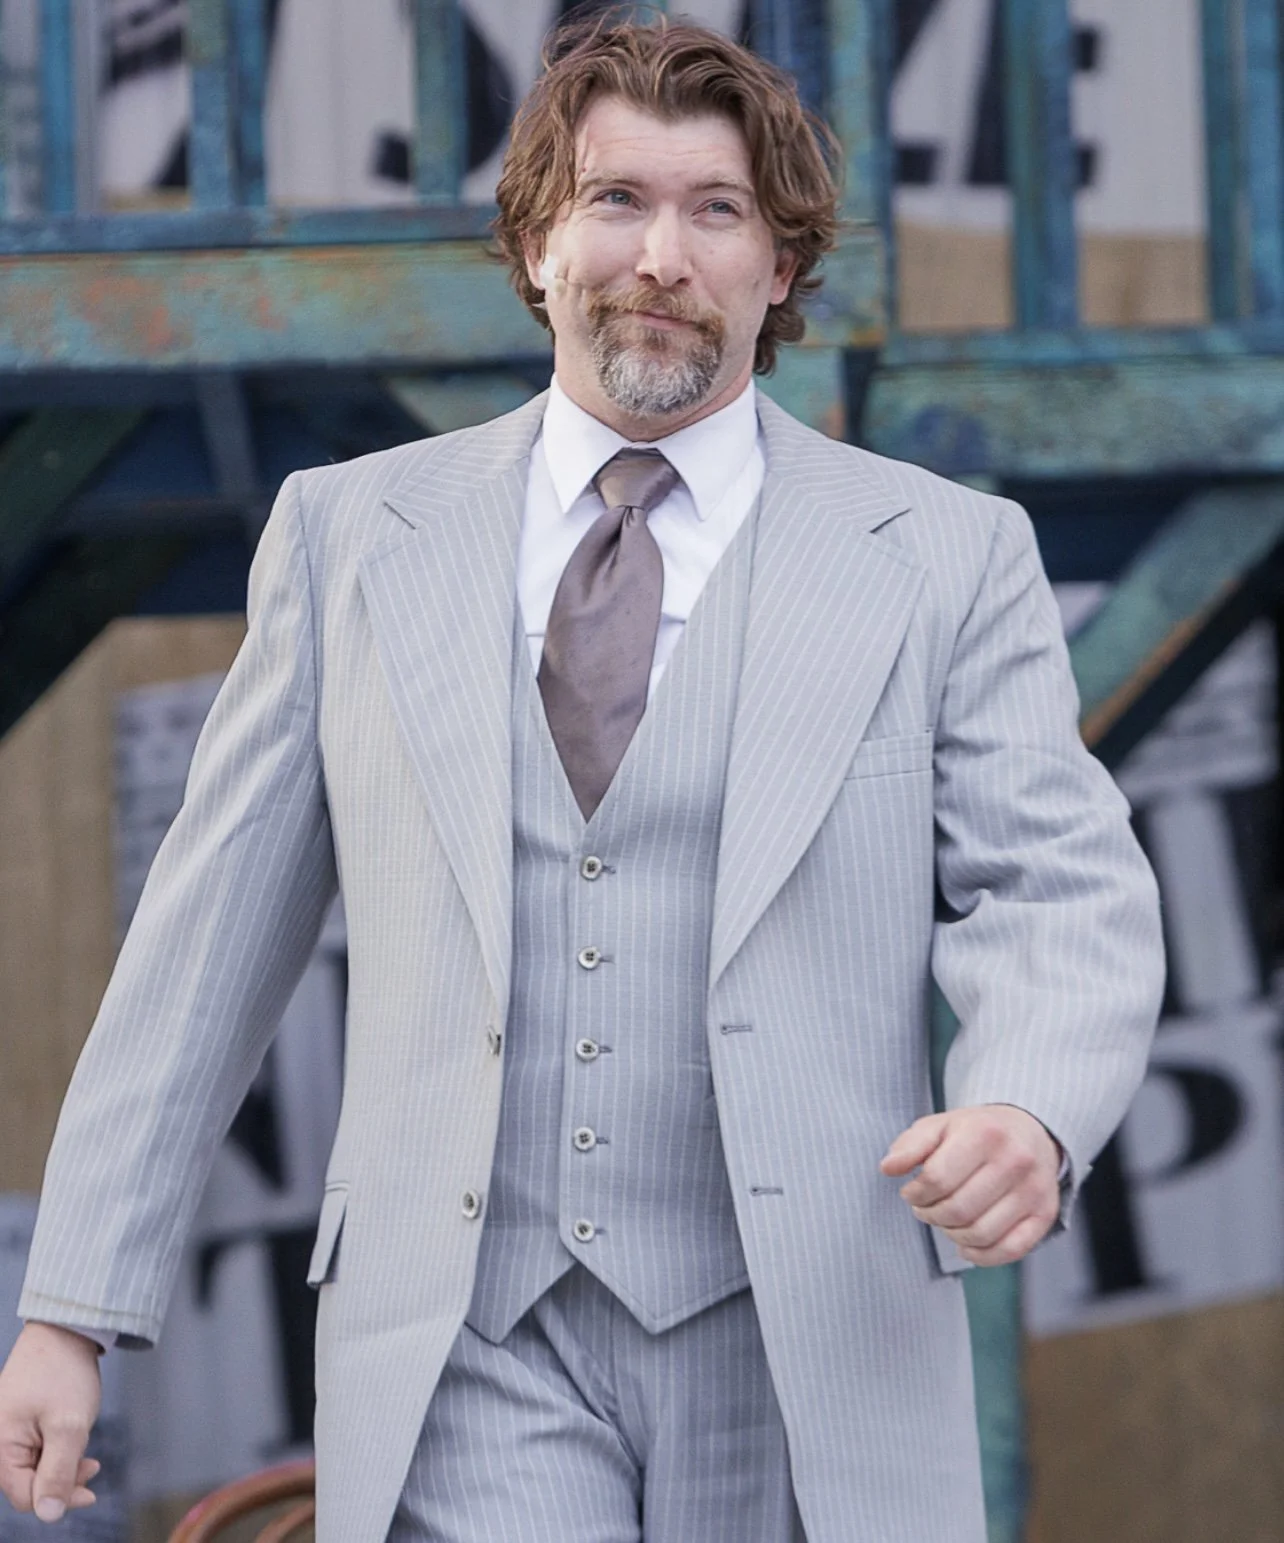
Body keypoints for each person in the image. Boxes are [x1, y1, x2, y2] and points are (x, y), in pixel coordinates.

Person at [0, 16, 1163, 1543]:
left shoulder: (945, 555)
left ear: (783, 269)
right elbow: (205, 942)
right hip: (470, 1332)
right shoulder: (351, 533)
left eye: (717, 210)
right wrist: (72, 1307)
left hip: (805, 1320)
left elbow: (1060, 882)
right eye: (615, 200)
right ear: (538, 244)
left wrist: (1026, 1100)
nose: (661, 255)